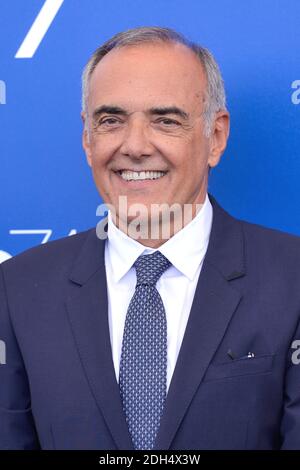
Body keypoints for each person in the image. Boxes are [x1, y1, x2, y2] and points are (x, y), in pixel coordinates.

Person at [1, 26, 300, 451]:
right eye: (111, 120)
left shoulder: (292, 279)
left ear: (215, 137)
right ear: (88, 138)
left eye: (165, 120)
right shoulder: (15, 290)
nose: (135, 146)